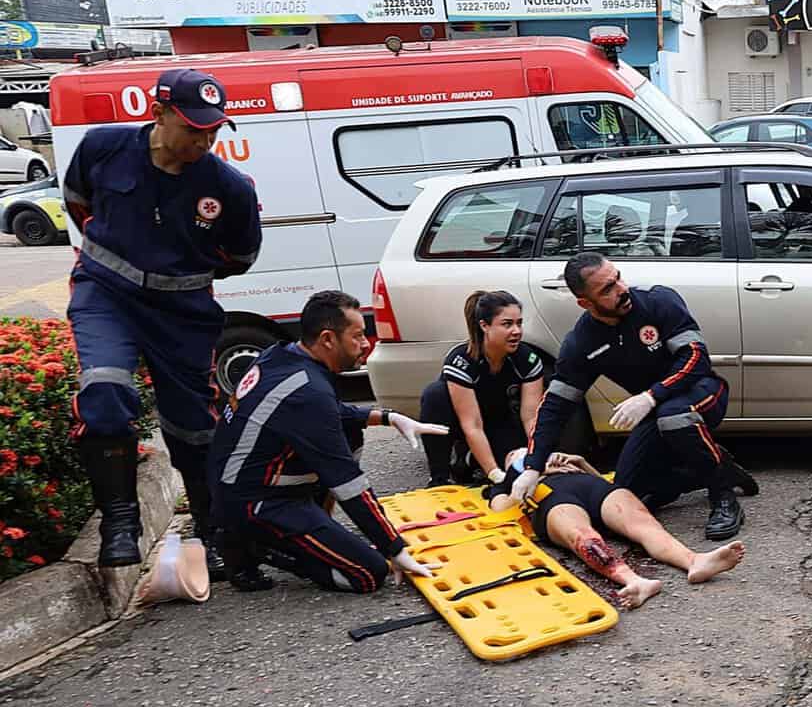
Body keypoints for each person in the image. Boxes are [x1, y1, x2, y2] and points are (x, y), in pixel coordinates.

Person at [62, 67, 263, 573]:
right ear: (159, 114)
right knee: (104, 390)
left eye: (213, 129)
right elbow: (77, 202)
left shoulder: (228, 188)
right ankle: (120, 523)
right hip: (105, 294)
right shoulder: (103, 148)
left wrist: (179, 271)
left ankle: (214, 532)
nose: (204, 139)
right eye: (193, 127)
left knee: (193, 428)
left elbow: (241, 255)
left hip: (183, 312)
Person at [209, 291, 448, 594]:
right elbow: (347, 483)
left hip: (237, 484)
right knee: (368, 573)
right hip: (254, 502)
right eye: (358, 336)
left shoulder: (282, 355)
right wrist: (395, 548)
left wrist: (389, 417)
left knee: (351, 431)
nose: (365, 344)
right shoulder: (309, 393)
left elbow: (329, 414)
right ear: (327, 339)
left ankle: (302, 530)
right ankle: (259, 546)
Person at [511, 253, 757, 541]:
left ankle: (723, 496)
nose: (621, 289)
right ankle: (715, 467)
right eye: (607, 289)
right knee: (627, 493)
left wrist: (651, 396)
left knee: (673, 417)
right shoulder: (581, 342)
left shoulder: (657, 301)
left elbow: (696, 358)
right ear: (585, 303)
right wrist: (533, 466)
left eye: (617, 278)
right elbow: (555, 407)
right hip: (655, 411)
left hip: (701, 392)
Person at [487, 449, 746, 608]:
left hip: (592, 489)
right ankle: (635, 581)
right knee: (584, 538)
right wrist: (520, 483)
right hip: (551, 498)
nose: (519, 452)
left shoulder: (563, 459)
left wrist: (582, 462)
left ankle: (694, 561)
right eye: (513, 455)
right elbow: (500, 509)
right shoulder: (509, 480)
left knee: (641, 521)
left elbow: (604, 481)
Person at [416, 290, 556, 486]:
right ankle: (439, 477)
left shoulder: (527, 358)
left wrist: (538, 459)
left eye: (519, 323)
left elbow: (531, 417)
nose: (516, 331)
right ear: (485, 326)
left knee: (516, 462)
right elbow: (472, 424)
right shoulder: (461, 360)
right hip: (465, 423)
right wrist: (494, 474)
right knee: (434, 394)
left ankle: (469, 460)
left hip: (500, 420)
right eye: (507, 324)